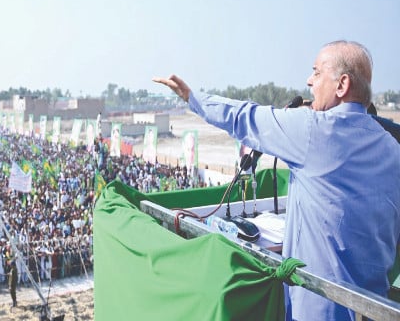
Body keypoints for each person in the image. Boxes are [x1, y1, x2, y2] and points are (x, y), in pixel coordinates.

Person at [154, 40, 400, 321]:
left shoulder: (313, 131)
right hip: (375, 308)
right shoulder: (393, 148)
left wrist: (192, 97)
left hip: (319, 308)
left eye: (317, 73)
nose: (309, 81)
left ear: (342, 85)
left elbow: (245, 117)